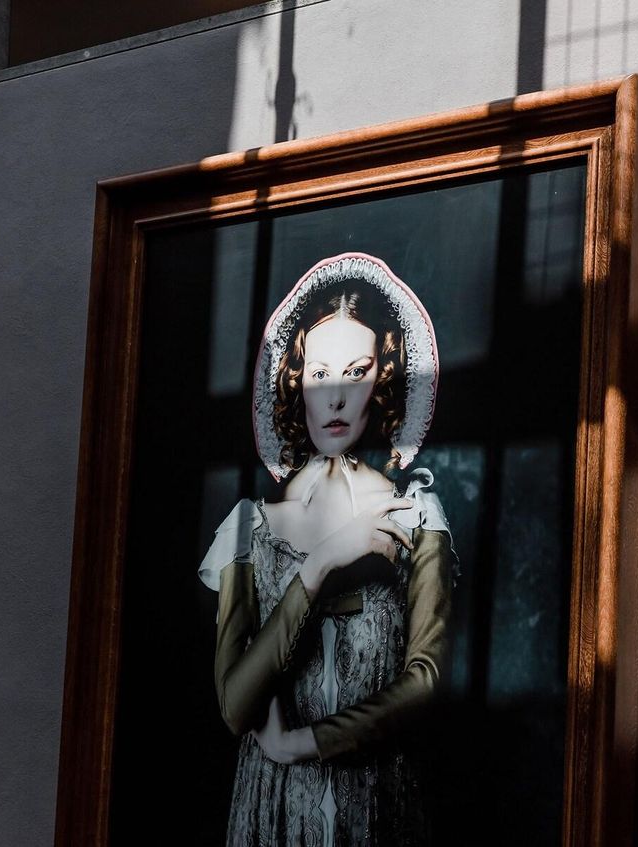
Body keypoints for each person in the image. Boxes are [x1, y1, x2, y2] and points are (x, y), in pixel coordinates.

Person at [197, 252, 457, 847]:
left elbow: (425, 679)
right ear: (297, 385)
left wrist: (304, 742)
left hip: (379, 807)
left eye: (356, 373)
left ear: (383, 382)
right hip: (270, 814)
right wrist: (320, 564)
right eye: (319, 376)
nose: (336, 397)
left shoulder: (418, 518)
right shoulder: (247, 528)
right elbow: (236, 706)